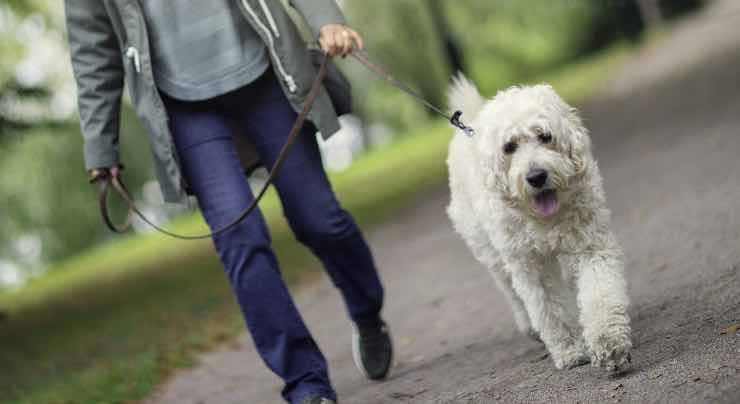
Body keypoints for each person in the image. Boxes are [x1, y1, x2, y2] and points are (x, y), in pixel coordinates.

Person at [64, 1, 392, 403]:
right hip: (183, 105)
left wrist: (326, 20)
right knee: (238, 236)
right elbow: (93, 52)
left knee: (320, 218)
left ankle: (367, 312)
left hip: (267, 70)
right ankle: (306, 383)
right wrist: (100, 146)